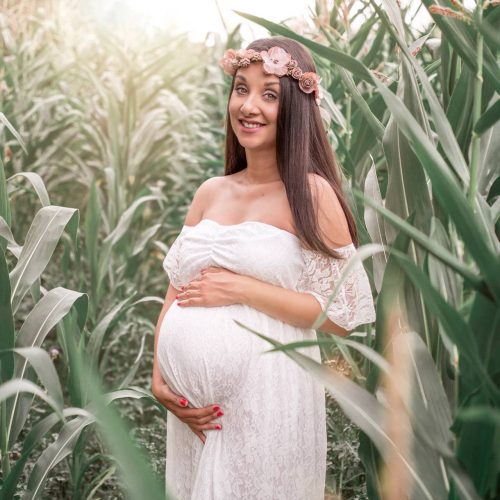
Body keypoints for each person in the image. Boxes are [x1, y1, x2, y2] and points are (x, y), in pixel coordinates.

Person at [151, 36, 376, 500]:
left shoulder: (312, 195)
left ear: (295, 107)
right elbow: (177, 290)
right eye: (241, 89)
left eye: (269, 94)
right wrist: (159, 379)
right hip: (195, 418)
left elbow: (342, 315)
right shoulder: (210, 191)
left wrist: (241, 289)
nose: (249, 106)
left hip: (268, 402)